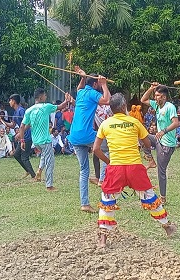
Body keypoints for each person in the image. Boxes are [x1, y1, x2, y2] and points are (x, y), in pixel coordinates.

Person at [93, 93, 176, 247]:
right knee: (150, 197)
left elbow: (96, 149)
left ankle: (103, 239)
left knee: (107, 200)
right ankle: (167, 227)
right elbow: (147, 144)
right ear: (124, 107)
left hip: (116, 167)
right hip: (135, 167)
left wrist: (109, 162)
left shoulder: (105, 124)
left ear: (111, 109)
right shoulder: (134, 122)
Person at [67, 67, 111, 213]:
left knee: (84, 170)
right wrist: (104, 84)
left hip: (74, 136)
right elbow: (107, 100)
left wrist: (82, 76)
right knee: (106, 150)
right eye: (97, 84)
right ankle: (102, 180)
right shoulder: (93, 93)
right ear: (94, 84)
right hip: (87, 135)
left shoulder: (81, 92)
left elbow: (80, 86)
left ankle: (84, 203)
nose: (99, 87)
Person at [17, 88, 71, 190]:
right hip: (45, 140)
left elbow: (23, 126)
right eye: (45, 95)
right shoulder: (46, 106)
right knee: (50, 162)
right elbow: (61, 106)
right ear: (41, 96)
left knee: (44, 155)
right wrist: (67, 100)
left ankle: (39, 172)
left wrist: (22, 140)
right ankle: (49, 185)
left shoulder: (29, 110)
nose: (46, 97)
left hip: (36, 141)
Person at [140, 83, 180, 204]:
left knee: (161, 171)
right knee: (141, 136)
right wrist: (151, 88)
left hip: (167, 144)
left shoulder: (170, 107)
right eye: (155, 95)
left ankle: (163, 197)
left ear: (163, 97)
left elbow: (176, 123)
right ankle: (151, 161)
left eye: (157, 95)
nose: (155, 97)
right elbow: (143, 99)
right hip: (158, 139)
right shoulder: (157, 105)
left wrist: (163, 131)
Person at [1, 94, 36, 179]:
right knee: (16, 155)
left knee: (24, 157)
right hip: (22, 136)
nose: (9, 102)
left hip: (27, 136)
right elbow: (12, 125)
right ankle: (28, 170)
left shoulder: (21, 111)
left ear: (13, 101)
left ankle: (34, 176)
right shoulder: (15, 112)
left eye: (10, 100)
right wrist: (1, 120)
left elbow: (28, 123)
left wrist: (20, 133)